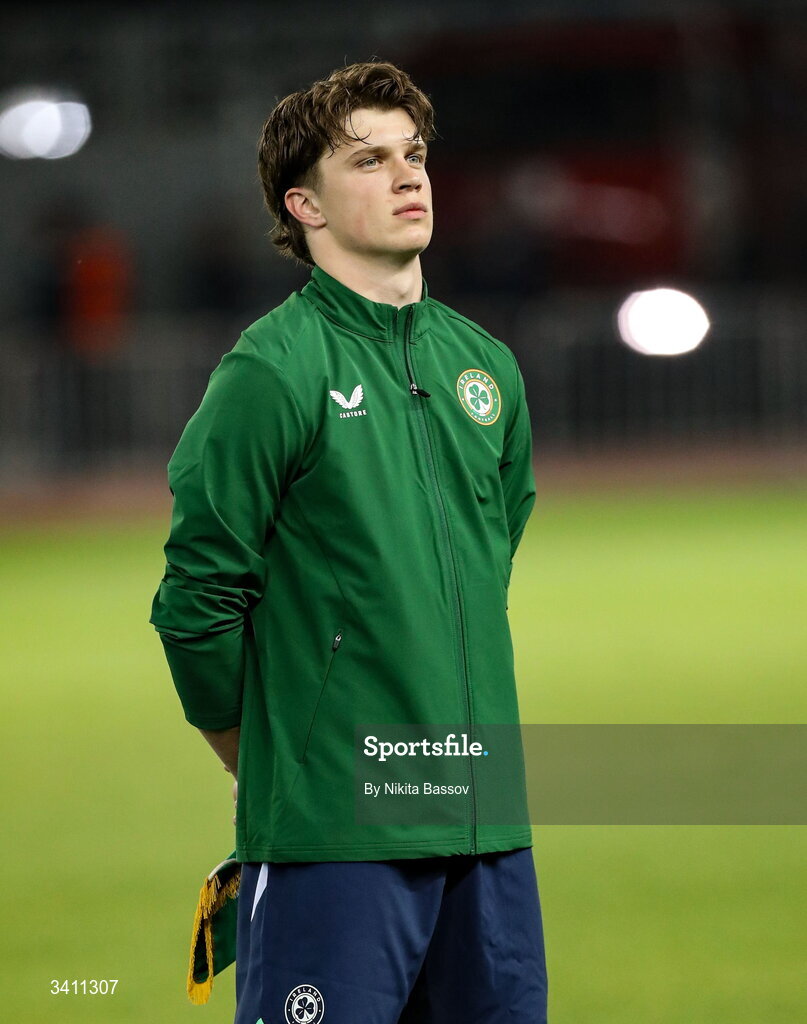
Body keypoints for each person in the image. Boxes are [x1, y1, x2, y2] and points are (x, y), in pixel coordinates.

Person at [150, 60, 548, 1023]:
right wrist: (276, 763)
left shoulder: (482, 365)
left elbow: (495, 545)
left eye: (413, 154)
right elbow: (196, 601)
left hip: (487, 827)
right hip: (337, 834)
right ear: (305, 205)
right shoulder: (271, 371)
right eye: (367, 160)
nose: (407, 175)